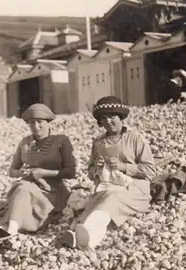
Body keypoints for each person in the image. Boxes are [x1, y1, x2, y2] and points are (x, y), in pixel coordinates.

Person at [60, 96, 156, 251]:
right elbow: (91, 173)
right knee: (95, 208)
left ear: (121, 117)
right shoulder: (99, 143)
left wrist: (123, 166)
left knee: (110, 201)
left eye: (112, 117)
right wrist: (96, 170)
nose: (108, 122)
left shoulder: (135, 138)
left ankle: (87, 237)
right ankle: (86, 239)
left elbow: (150, 171)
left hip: (135, 189)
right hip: (106, 187)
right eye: (103, 118)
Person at [0, 103, 77, 235]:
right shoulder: (25, 143)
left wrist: (43, 172)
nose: (36, 126)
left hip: (53, 192)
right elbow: (12, 170)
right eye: (31, 122)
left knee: (24, 191)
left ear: (48, 122)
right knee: (23, 188)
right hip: (29, 186)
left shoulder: (61, 140)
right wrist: (21, 173)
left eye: (40, 122)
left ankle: (11, 227)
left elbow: (71, 172)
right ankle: (12, 227)